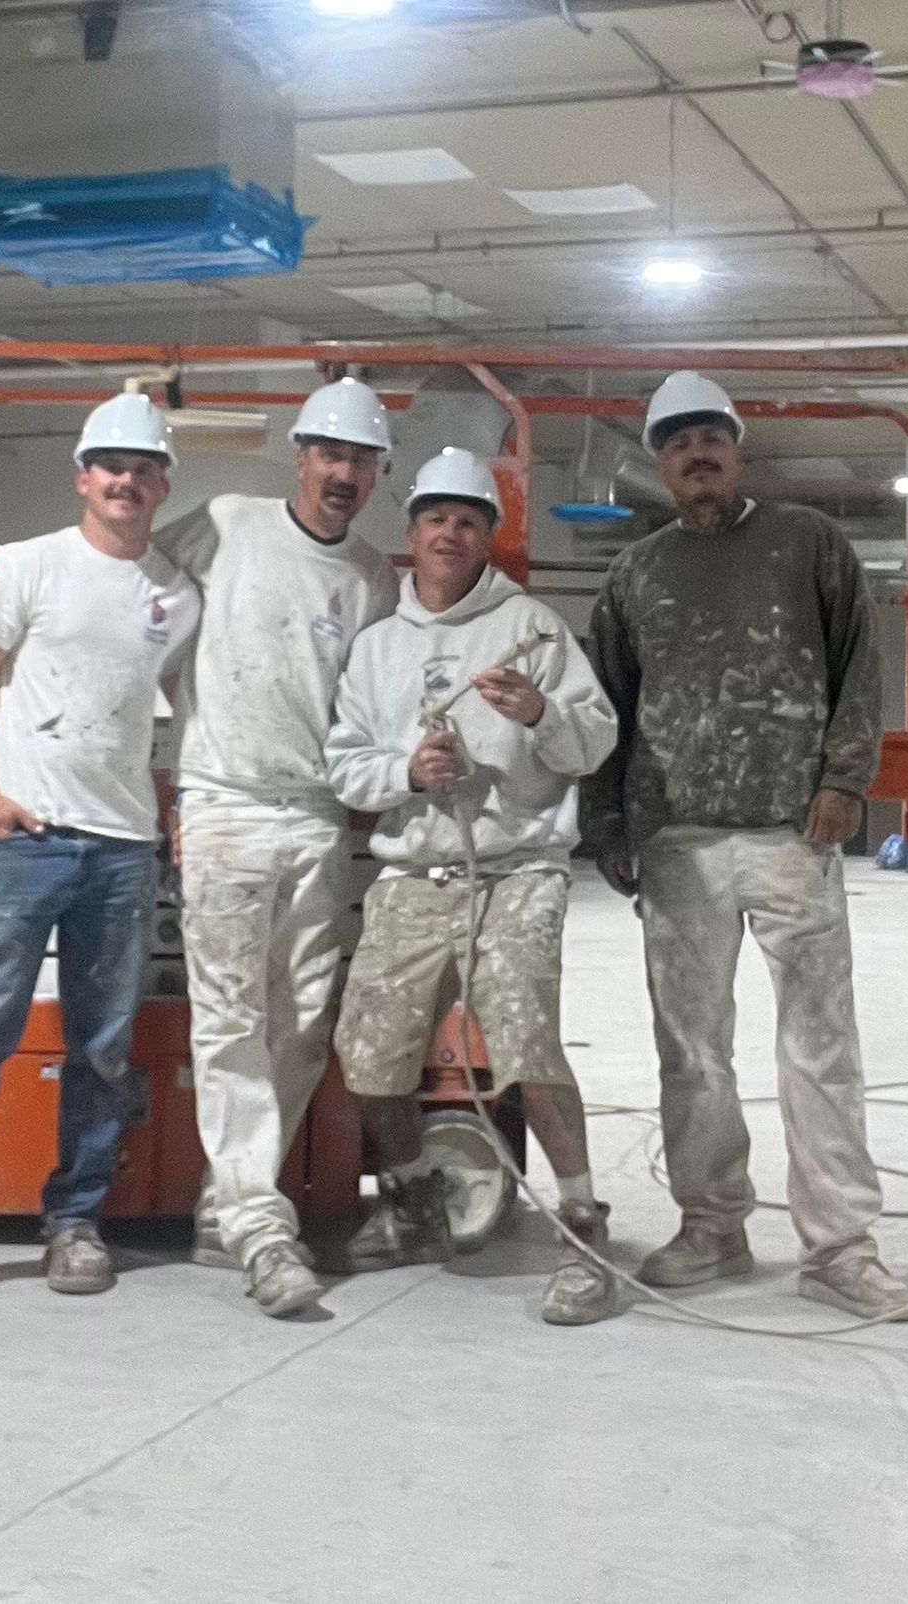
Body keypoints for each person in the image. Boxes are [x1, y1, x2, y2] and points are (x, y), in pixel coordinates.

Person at [0, 377, 399, 1319]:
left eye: (361, 461)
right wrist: (0, 582)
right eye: (330, 454)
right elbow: (121, 562)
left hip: (317, 819)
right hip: (227, 806)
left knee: (299, 1022)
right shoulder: (230, 523)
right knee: (233, 1019)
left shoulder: (373, 576)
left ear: (377, 475)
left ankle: (225, 1197)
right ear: (302, 457)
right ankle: (256, 1220)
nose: (343, 473)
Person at [582, 371, 908, 1321]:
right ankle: (713, 1224)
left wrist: (845, 777)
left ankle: (840, 1247)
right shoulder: (635, 574)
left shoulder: (807, 541)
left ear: (738, 449)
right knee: (692, 1052)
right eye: (678, 442)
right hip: (678, 840)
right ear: (660, 463)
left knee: (819, 1045)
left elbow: (859, 660)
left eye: (711, 437)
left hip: (787, 830)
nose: (697, 453)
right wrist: (608, 821)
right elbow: (606, 703)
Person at [0, 393, 200, 1312]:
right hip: (25, 841)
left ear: (163, 484)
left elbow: (174, 707)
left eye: (143, 468)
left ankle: (75, 1222)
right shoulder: (24, 567)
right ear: (83, 478)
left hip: (123, 847)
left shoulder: (177, 596)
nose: (126, 481)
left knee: (100, 1051)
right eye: (110, 467)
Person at [325, 449, 621, 1325]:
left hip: (516, 868)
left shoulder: (530, 627)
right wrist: (410, 772)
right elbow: (345, 765)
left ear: (488, 536)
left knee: (526, 1040)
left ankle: (580, 1227)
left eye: (467, 520)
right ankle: (414, 1200)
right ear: (411, 534)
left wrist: (540, 713)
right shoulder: (378, 647)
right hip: (417, 871)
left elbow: (594, 743)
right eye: (434, 519)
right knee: (367, 1050)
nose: (450, 533)